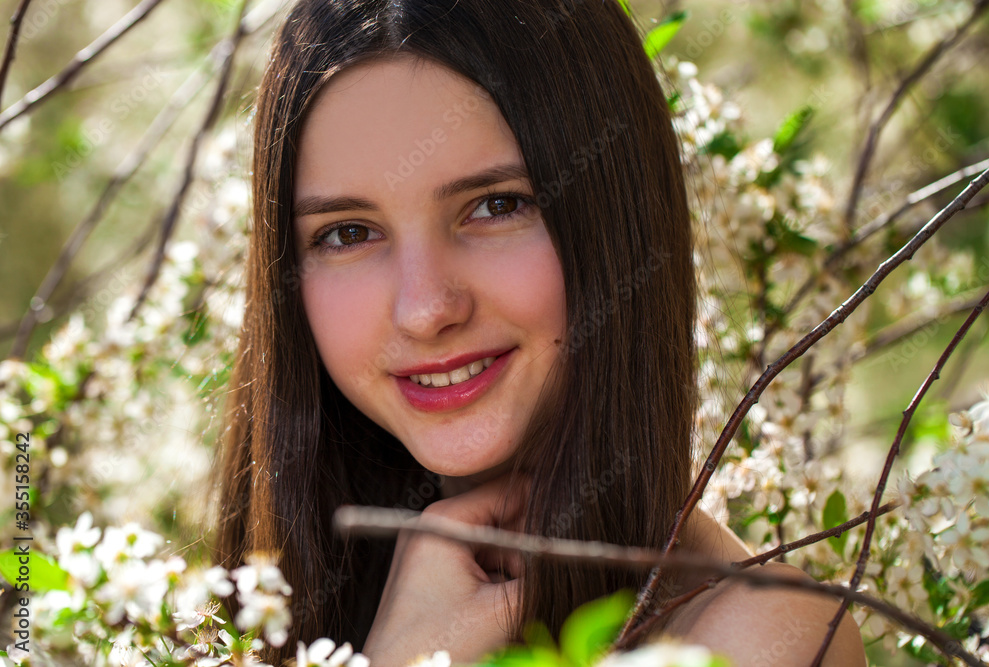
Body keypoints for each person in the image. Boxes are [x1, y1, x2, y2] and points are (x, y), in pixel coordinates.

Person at [212, 1, 866, 665]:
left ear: (616, 215)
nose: (425, 308)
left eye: (497, 206)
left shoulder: (752, 639)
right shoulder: (251, 608)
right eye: (348, 232)